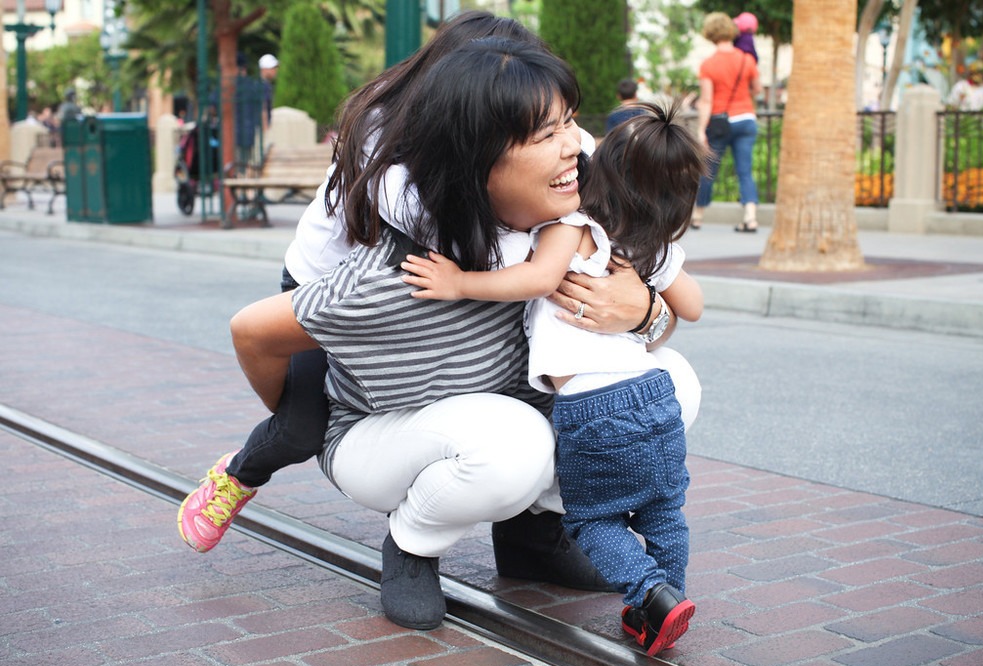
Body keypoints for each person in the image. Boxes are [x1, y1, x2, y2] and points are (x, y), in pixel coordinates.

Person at [177, 14, 699, 629]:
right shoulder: (400, 194)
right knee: (305, 424)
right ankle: (405, 542)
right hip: (324, 296)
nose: (572, 147)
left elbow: (661, 284)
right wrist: (316, 396)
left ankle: (535, 542)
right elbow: (260, 327)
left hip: (482, 296)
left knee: (661, 388)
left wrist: (642, 311)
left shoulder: (564, 182)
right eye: (539, 126)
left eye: (565, 120)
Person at [401, 100, 707, 654]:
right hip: (655, 398)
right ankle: (668, 601)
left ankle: (651, 593)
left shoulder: (575, 224)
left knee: (593, 522)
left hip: (595, 407)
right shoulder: (653, 245)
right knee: (664, 510)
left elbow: (538, 278)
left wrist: (459, 283)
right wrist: (647, 292)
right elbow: (695, 306)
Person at [691, 12, 762, 233]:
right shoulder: (747, 59)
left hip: (721, 123)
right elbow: (757, 90)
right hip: (747, 119)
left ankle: (698, 215)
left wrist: (701, 129)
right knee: (745, 170)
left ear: (710, 35)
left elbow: (706, 100)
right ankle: (750, 217)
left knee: (709, 168)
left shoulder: (708, 65)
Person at [258, 53, 279, 129]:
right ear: (264, 69)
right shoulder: (263, 86)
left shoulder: (266, 85)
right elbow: (263, 108)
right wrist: (265, 128)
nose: (275, 71)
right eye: (272, 68)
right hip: (261, 129)